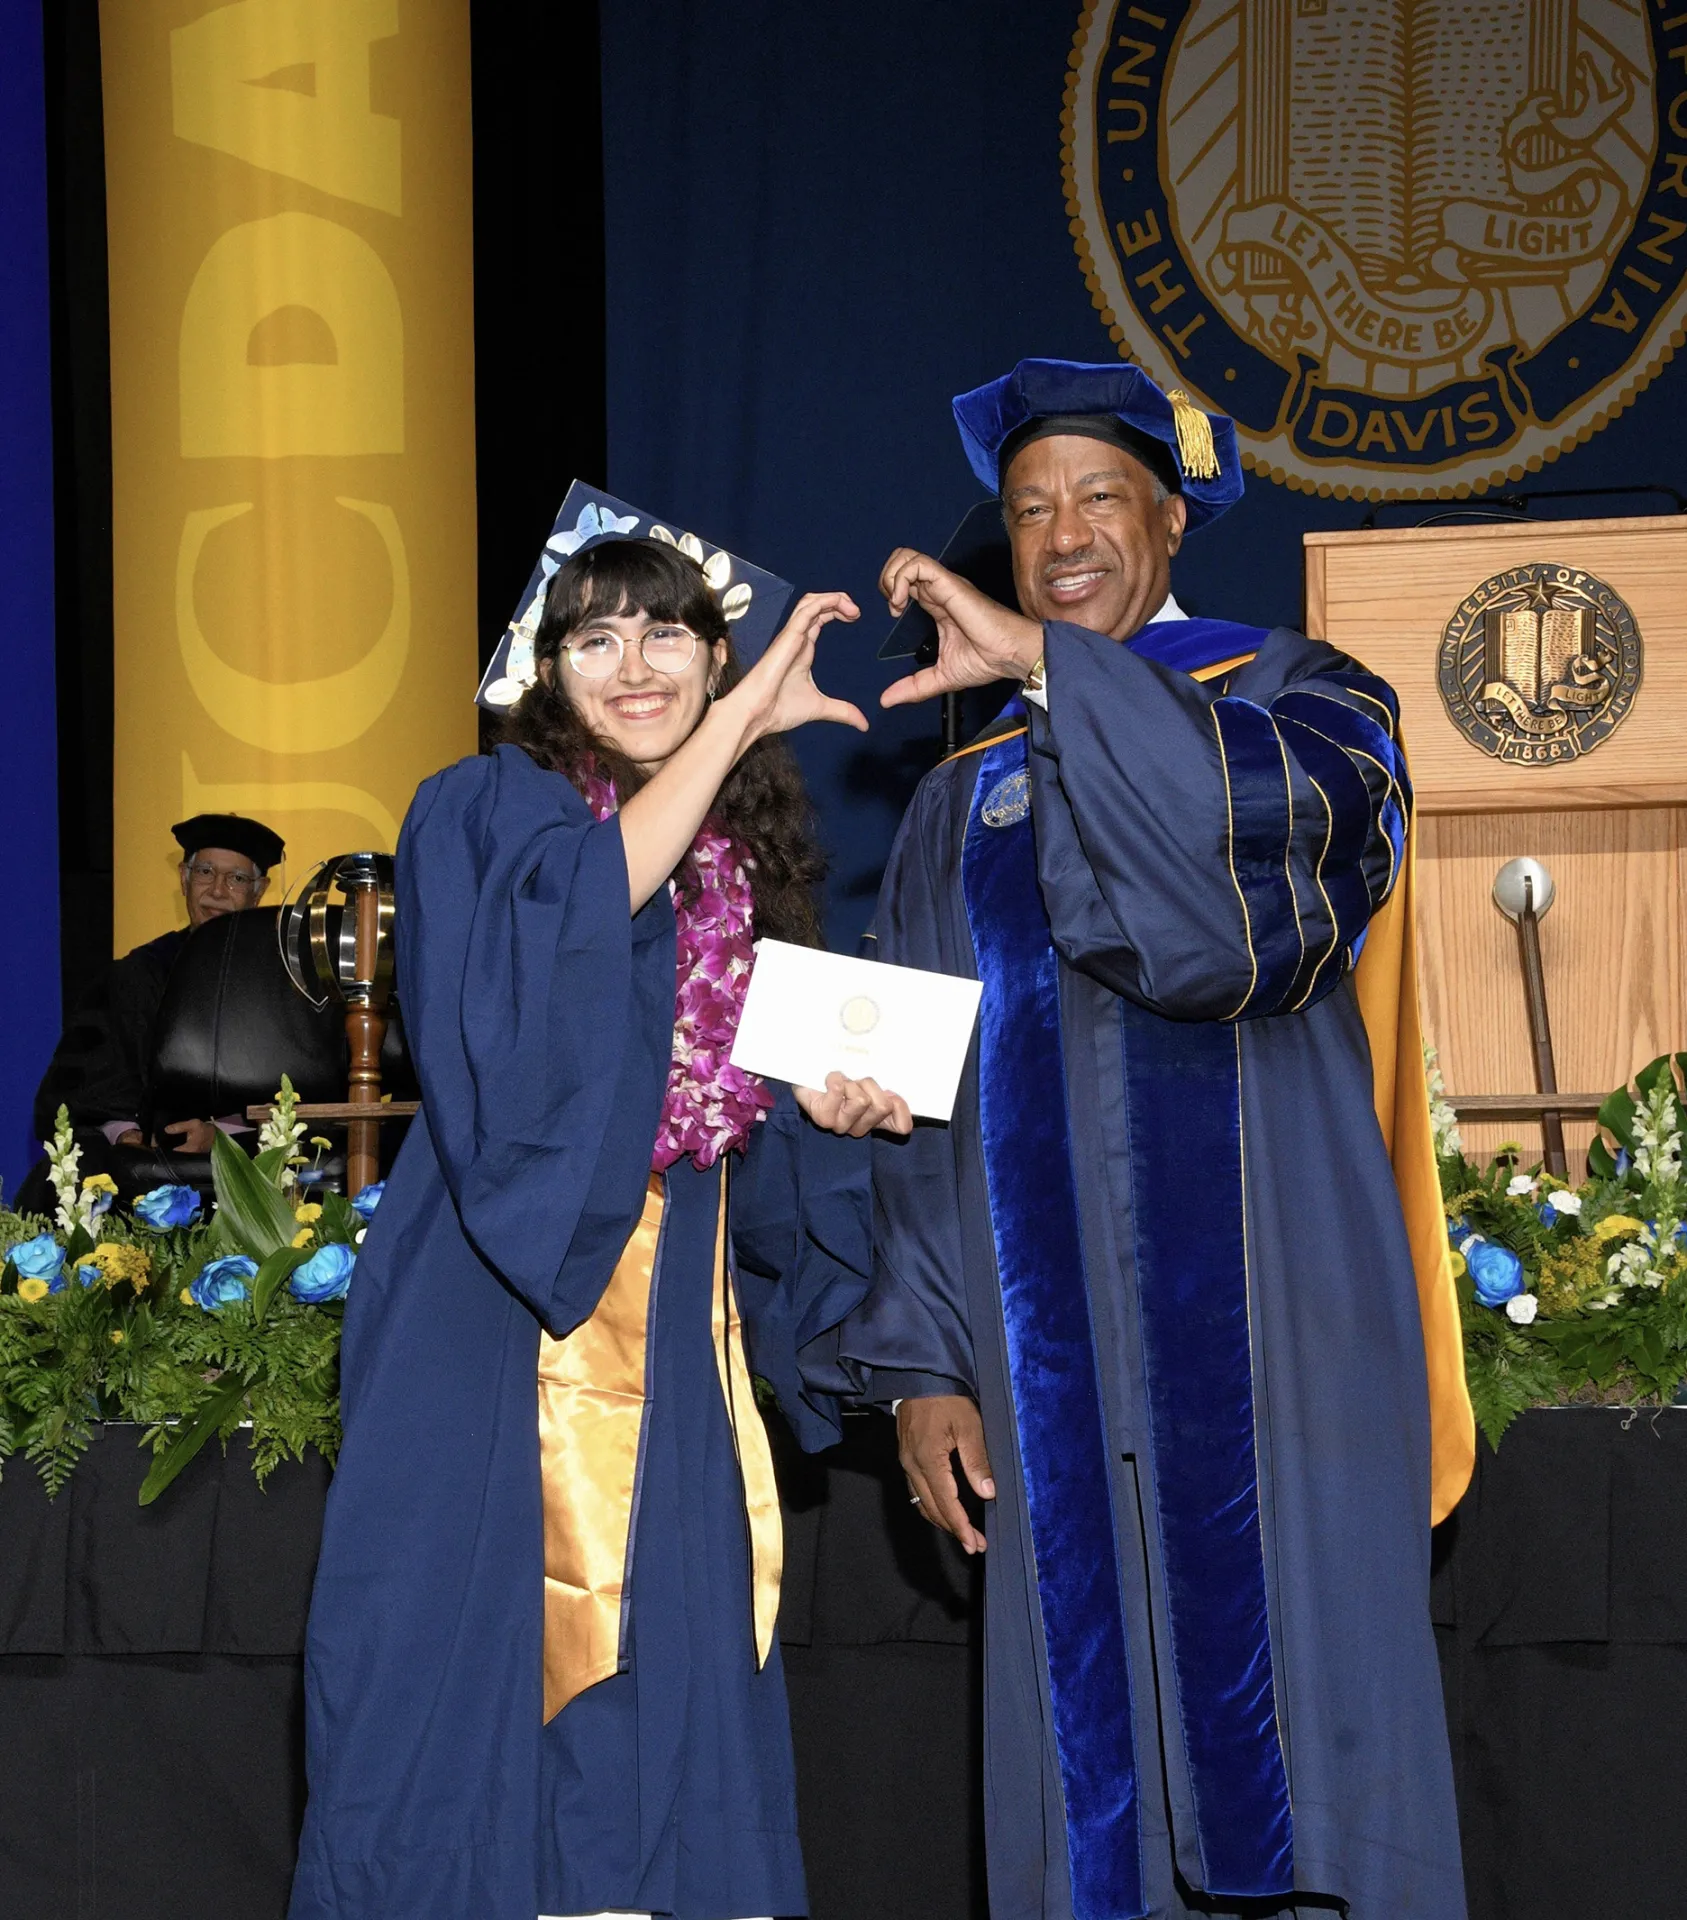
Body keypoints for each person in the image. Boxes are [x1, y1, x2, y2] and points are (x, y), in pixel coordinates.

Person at [844, 359, 1474, 1920]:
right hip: (1044, 1357)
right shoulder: (958, 801)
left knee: (1302, 1728)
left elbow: (1213, 934)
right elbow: (914, 1101)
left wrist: (1060, 683)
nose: (1058, 535)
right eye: (1028, 509)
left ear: (1172, 520)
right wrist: (921, 1363)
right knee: (1088, 1768)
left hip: (1274, 1332)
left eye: (1097, 498)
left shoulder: (1311, 710)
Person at [289, 518, 908, 1920]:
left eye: (668, 634)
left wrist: (816, 1112)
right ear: (547, 674)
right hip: (493, 1314)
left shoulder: (739, 883)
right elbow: (557, 971)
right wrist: (747, 711)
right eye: (594, 638)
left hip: (674, 1323)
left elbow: (708, 1108)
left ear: (708, 650)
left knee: (674, 1640)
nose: (634, 666)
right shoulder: (488, 811)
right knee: (456, 1654)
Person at [27, 813, 284, 1164]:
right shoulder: (139, 973)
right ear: (183, 878)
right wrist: (125, 1133)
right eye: (205, 872)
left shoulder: (284, 983)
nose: (217, 891)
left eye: (237, 879)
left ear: (259, 892)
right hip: (146, 1161)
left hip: (256, 1160)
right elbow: (86, 1089)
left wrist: (219, 1136)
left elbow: (305, 1096)